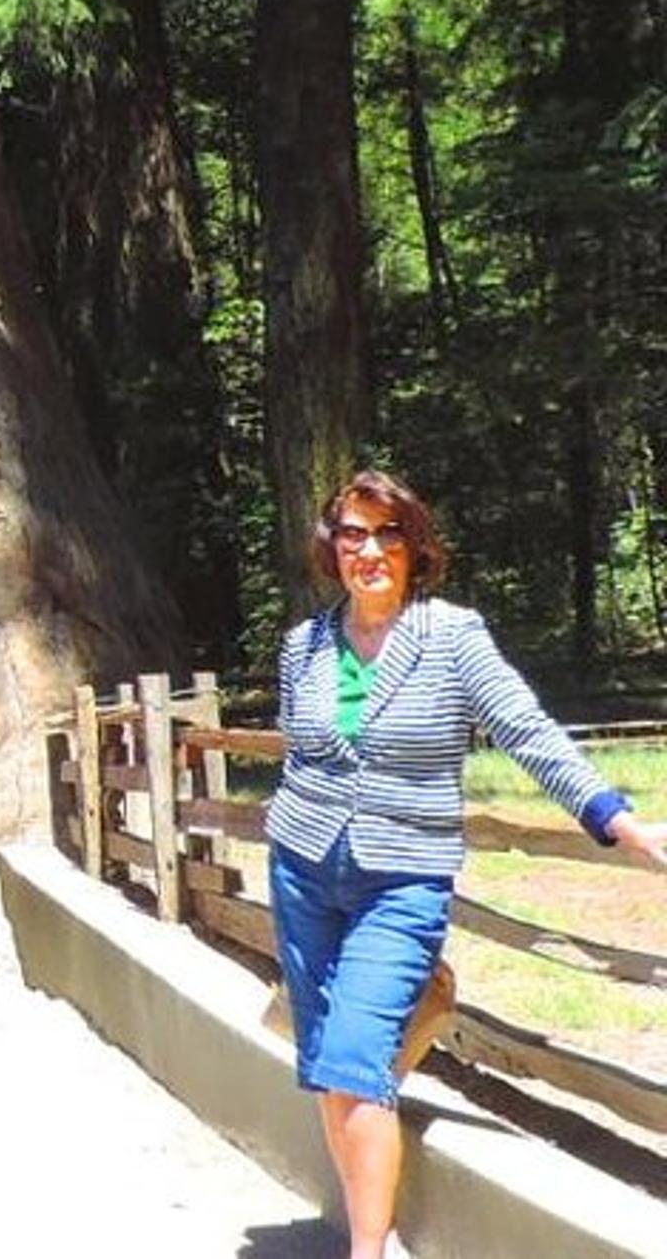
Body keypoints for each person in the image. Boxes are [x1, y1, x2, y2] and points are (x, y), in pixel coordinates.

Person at [267, 470, 667, 1259]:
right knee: (324, 1060)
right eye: (353, 534)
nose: (369, 551)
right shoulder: (302, 645)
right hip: (303, 872)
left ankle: (368, 1251)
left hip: (401, 880)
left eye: (387, 533)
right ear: (332, 548)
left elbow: (526, 729)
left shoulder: (452, 636)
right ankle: (363, 1224)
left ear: (414, 546)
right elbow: (301, 757)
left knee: (352, 1056)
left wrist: (613, 816)